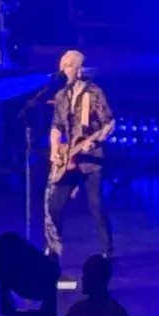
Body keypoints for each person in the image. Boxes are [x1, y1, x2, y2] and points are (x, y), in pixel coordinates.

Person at [43, 49, 114, 261]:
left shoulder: (94, 94)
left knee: (96, 205)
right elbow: (56, 126)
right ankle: (53, 249)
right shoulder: (61, 96)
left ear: (79, 70)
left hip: (91, 160)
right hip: (68, 160)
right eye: (62, 66)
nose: (63, 71)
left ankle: (107, 252)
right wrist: (55, 150)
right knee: (55, 206)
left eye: (68, 66)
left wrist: (94, 142)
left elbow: (109, 124)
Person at [62, 254, 130, 316]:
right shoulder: (119, 312)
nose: (82, 279)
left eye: (86, 275)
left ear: (98, 278)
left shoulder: (77, 312)